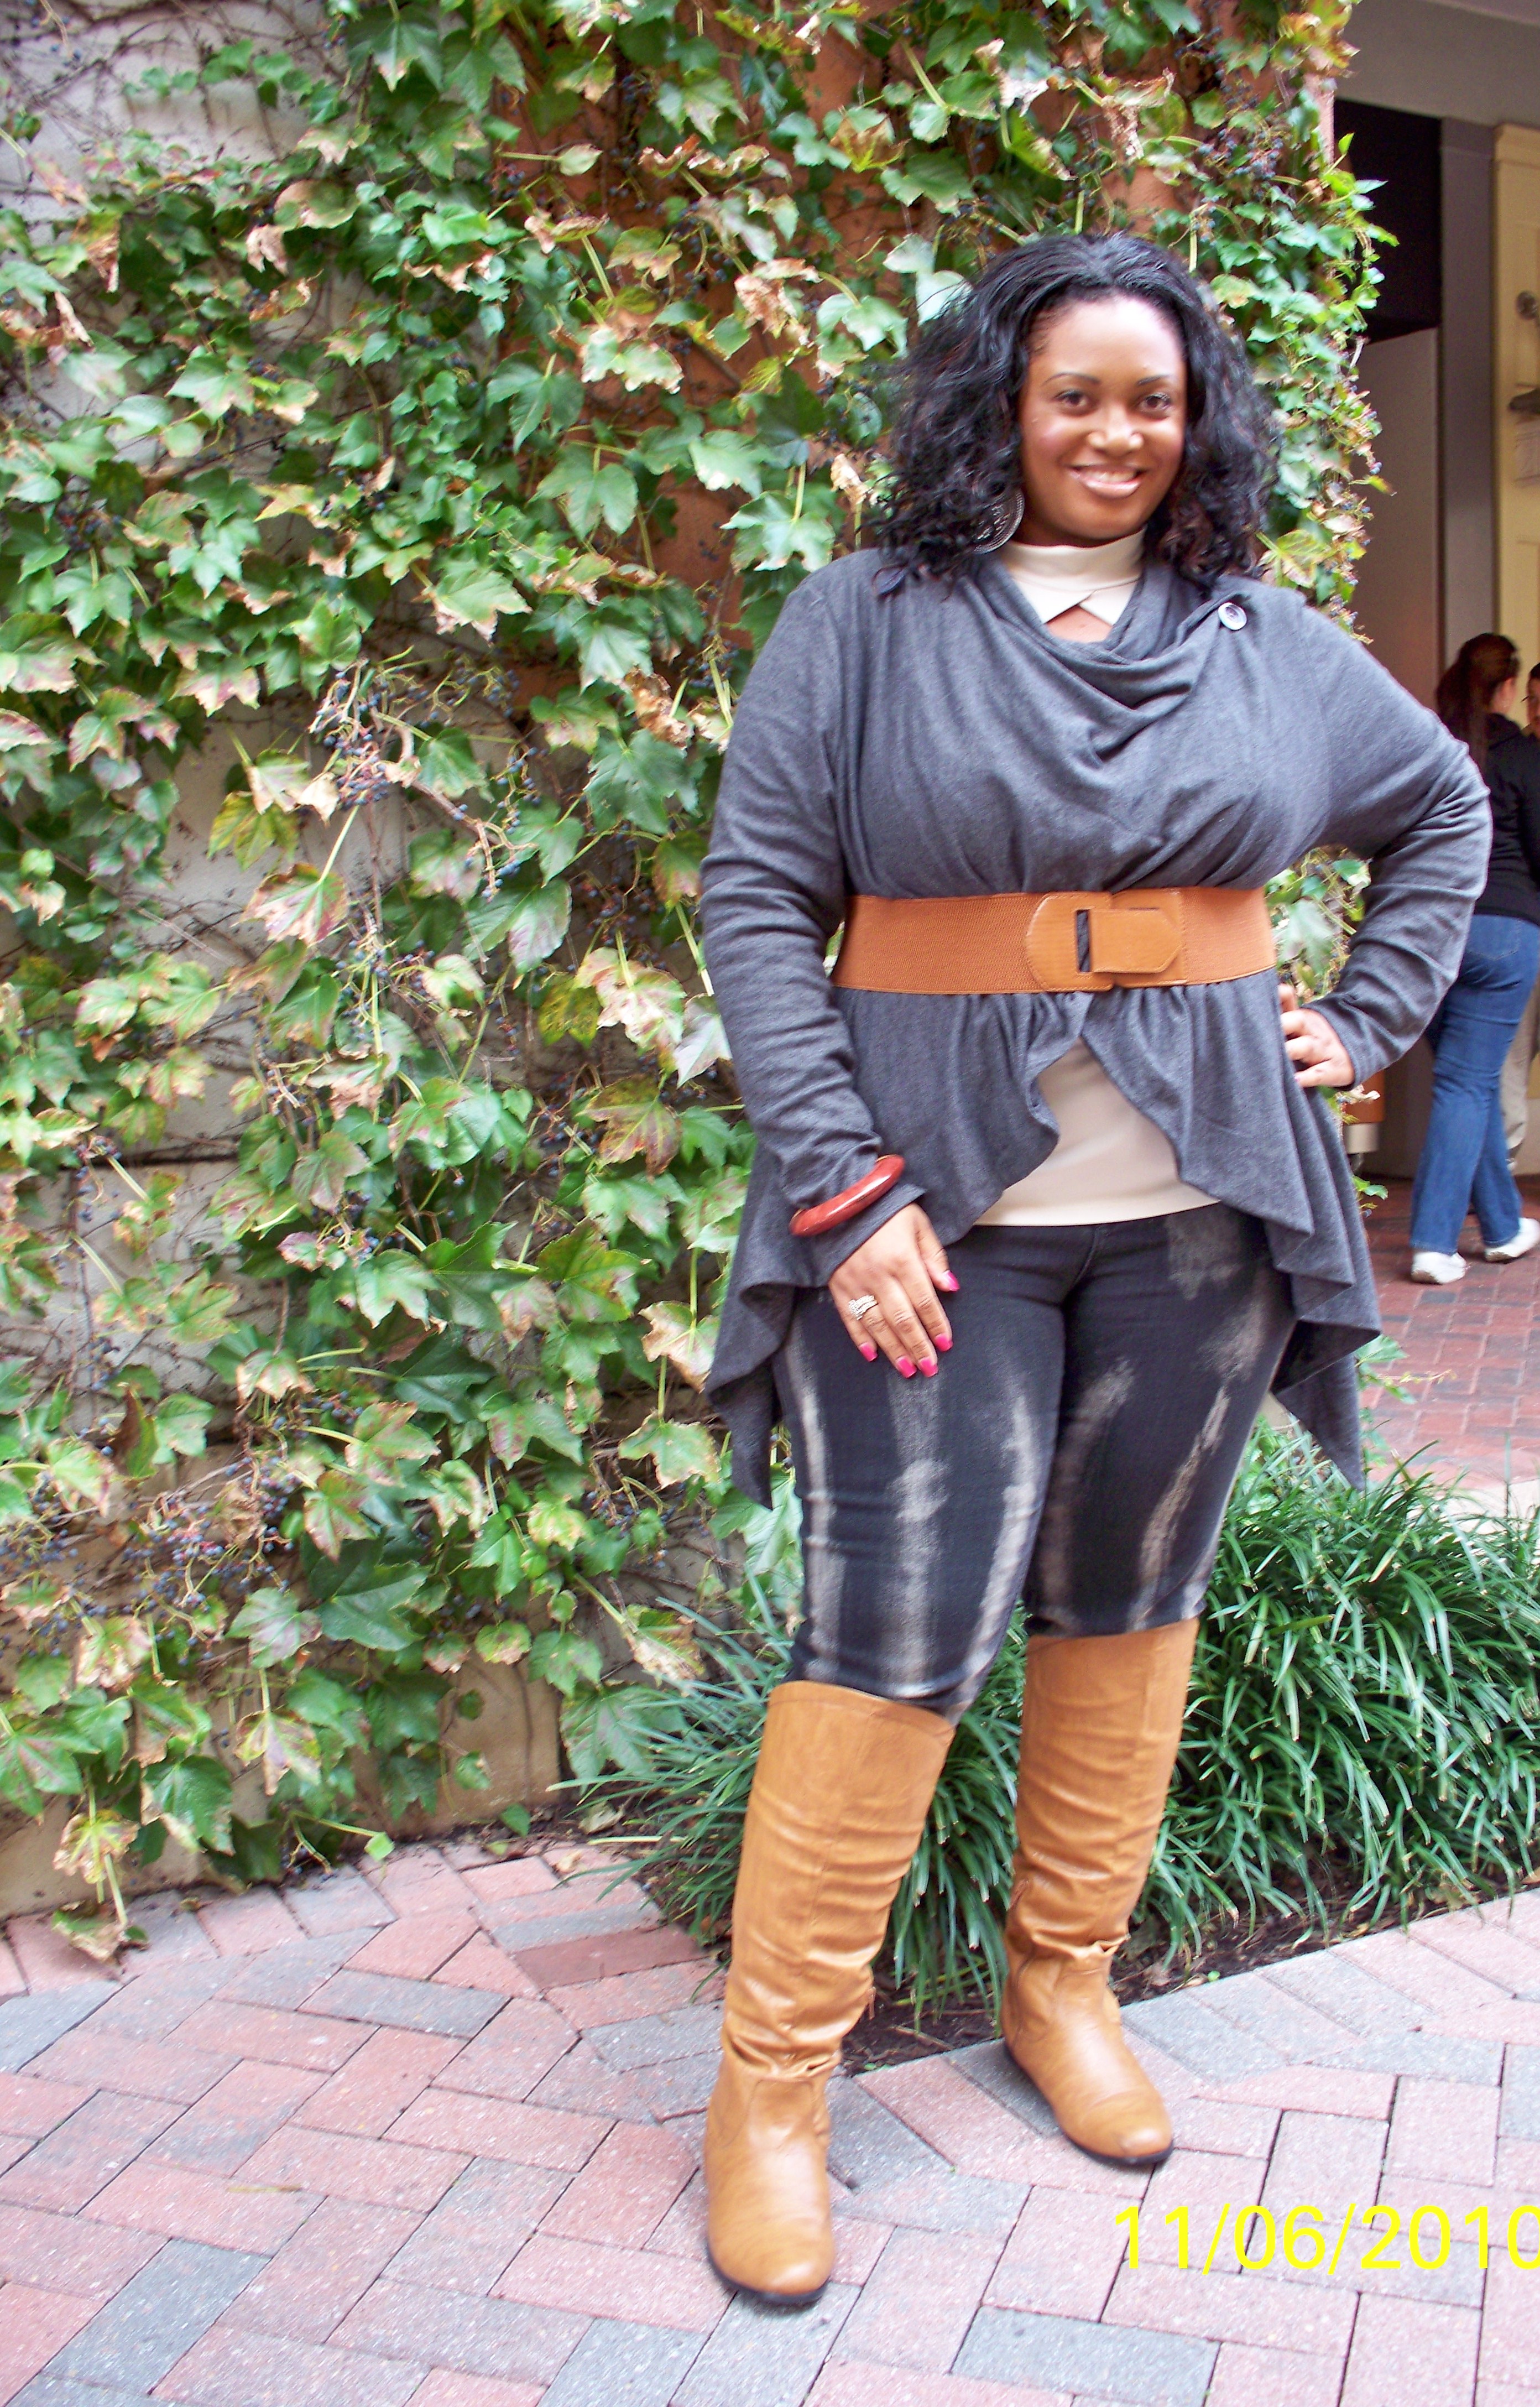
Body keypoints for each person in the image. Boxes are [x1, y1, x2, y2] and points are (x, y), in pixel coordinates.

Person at [699, 231, 1489, 2309]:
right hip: (928, 1224)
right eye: (1075, 395)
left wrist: (1370, 1015)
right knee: (889, 1627)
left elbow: (1439, 808)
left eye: (1154, 399)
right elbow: (759, 898)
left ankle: (1063, 1983)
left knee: (1130, 1602)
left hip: (1199, 1219)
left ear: (1194, 419)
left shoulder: (1263, 638)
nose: (1116, 434)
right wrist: (841, 1190)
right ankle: (772, 2088)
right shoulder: (866, 622)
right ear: (1003, 404)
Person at [1409, 634, 1540, 1282]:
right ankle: (1433, 1242)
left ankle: (1503, 1225)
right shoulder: (1523, 756)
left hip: (1428, 929)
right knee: (1465, 1082)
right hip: (1504, 929)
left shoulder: (1426, 747)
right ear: (1508, 688)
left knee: (1471, 1078)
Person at [1499, 658, 1540, 1164]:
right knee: (1512, 1050)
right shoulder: (1519, 760)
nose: (1537, 714)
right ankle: (1501, 1164)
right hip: (1524, 924)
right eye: (1533, 701)